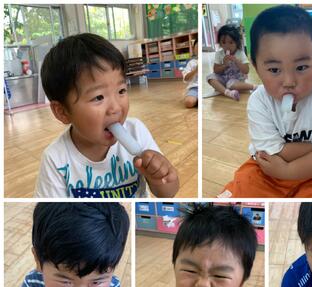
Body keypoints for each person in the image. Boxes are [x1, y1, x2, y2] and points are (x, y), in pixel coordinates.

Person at [220, 5, 312, 198]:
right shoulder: (259, 101)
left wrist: (288, 171)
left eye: (301, 67)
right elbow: (268, 154)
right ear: (256, 67)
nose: (289, 82)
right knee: (241, 189)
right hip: (268, 168)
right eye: (274, 70)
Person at [35, 33, 179, 198]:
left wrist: (160, 177)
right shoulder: (55, 159)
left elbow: (168, 193)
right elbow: (52, 210)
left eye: (121, 91)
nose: (115, 108)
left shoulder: (136, 131)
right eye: (98, 97)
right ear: (62, 112)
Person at [207, 25, 257, 101]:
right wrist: (224, 65)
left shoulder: (240, 53)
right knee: (210, 78)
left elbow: (246, 70)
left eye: (231, 42)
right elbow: (216, 70)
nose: (227, 46)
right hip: (223, 78)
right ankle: (228, 93)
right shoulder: (219, 54)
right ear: (220, 43)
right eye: (223, 42)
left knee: (231, 84)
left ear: (237, 43)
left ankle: (254, 87)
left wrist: (236, 61)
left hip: (236, 79)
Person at [182, 39, 198, 108]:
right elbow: (186, 79)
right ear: (194, 49)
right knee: (189, 102)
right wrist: (195, 70)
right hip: (195, 88)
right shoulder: (191, 63)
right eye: (197, 47)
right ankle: (194, 97)